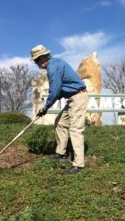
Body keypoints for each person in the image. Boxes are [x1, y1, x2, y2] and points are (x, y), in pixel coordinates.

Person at [31, 45, 88, 175]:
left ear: (44, 57)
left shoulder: (53, 66)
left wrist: (45, 107)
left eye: (38, 60)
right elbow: (60, 90)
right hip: (72, 98)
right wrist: (46, 107)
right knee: (60, 123)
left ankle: (78, 165)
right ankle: (61, 153)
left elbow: (55, 91)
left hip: (78, 97)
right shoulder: (55, 64)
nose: (38, 63)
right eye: (36, 61)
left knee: (75, 129)